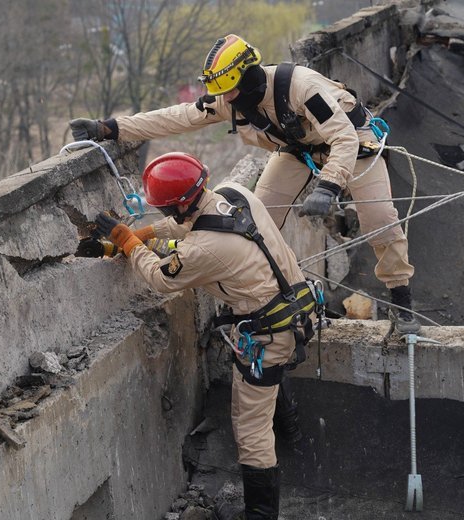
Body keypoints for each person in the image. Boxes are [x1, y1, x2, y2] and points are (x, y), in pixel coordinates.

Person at [69, 34, 420, 334]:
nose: (227, 99)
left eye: (231, 90)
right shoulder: (228, 100)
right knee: (254, 217)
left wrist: (329, 185)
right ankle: (275, 297)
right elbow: (176, 118)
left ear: (248, 76)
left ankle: (401, 299)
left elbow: (343, 139)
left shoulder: (303, 88)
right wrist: (110, 128)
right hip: (298, 149)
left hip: (354, 142)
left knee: (379, 220)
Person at [94, 151, 318, 519]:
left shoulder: (204, 249)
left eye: (166, 211)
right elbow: (198, 222)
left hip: (270, 335)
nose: (167, 217)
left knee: (250, 429)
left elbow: (162, 276)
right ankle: (291, 428)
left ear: (178, 206)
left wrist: (128, 242)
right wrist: (147, 232)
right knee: (269, 378)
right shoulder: (233, 193)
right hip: (295, 311)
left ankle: (262, 514)